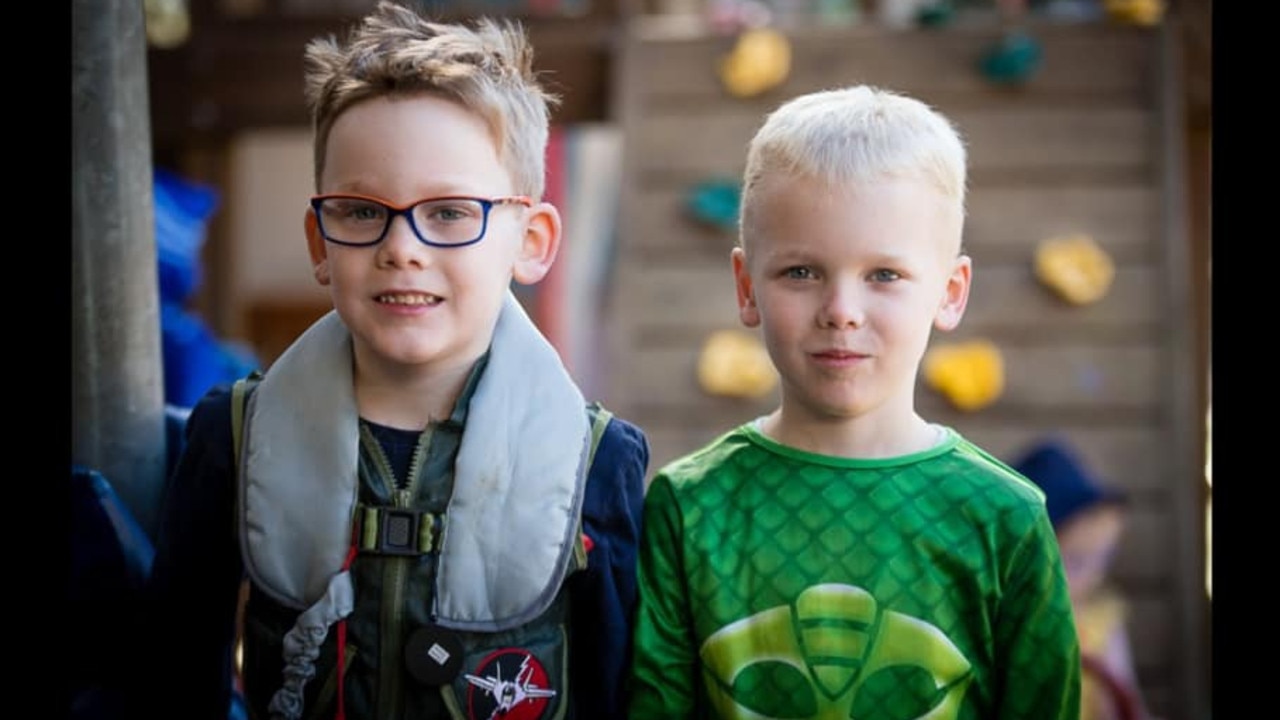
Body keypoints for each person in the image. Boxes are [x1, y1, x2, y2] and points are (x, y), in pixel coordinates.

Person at [135, 3, 649, 718]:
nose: (401, 248)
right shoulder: (234, 436)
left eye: (447, 213)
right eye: (361, 210)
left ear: (530, 240)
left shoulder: (598, 462)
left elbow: (619, 695)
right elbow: (171, 682)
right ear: (320, 244)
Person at [627, 85, 1081, 719]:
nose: (841, 311)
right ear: (746, 285)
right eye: (802, 272)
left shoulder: (1006, 519)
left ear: (950, 293)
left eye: (884, 275)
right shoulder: (687, 508)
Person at [1013, 439, 1160, 720]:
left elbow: (1126, 700)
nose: (1093, 576)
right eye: (1075, 562)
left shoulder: (1101, 620)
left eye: (1102, 558)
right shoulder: (1014, 624)